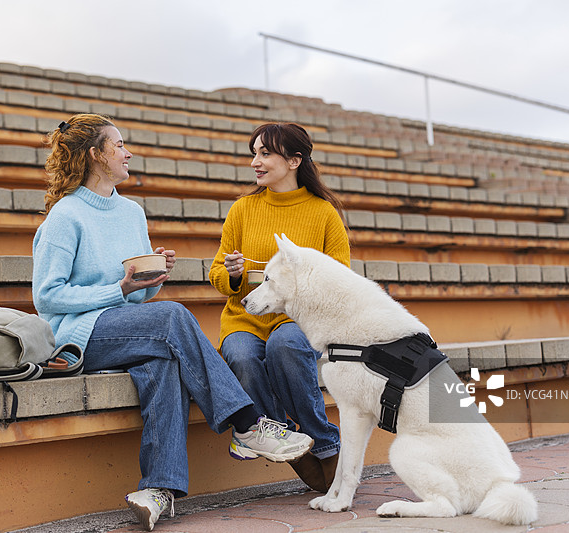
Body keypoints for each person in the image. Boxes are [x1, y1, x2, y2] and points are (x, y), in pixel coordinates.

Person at [32, 114, 313, 531]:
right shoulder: (65, 217)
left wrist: (150, 278)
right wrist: (121, 290)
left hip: (129, 325)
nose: (128, 153)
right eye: (119, 145)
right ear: (95, 155)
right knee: (173, 317)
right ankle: (248, 424)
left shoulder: (130, 212)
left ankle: (157, 489)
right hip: (80, 335)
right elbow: (48, 298)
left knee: (164, 364)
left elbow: (139, 294)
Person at [208, 123, 350, 493]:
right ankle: (283, 438)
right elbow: (217, 273)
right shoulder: (242, 209)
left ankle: (324, 442)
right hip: (245, 317)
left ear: (294, 160)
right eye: (254, 152)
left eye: (265, 153)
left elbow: (341, 278)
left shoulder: (324, 214)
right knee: (239, 354)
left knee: (285, 345)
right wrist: (234, 274)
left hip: (300, 318)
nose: (255, 162)